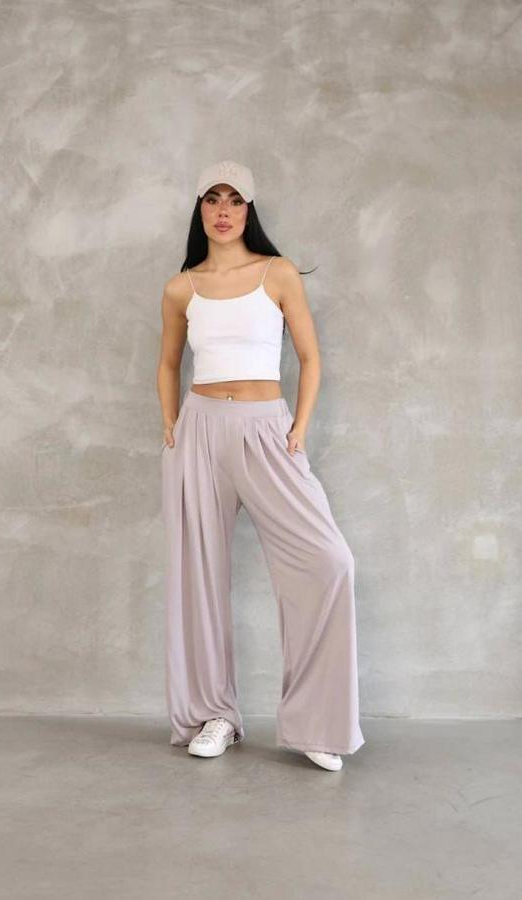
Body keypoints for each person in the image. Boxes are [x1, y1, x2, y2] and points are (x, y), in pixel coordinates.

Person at [157, 159, 365, 772]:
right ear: (199, 209)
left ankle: (318, 725)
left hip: (266, 429)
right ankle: (212, 715)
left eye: (235, 200)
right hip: (199, 431)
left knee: (328, 561)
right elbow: (168, 363)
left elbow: (310, 357)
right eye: (212, 199)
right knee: (197, 576)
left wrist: (298, 427)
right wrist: (171, 424)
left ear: (249, 210)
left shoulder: (277, 273)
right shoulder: (181, 287)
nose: (223, 211)